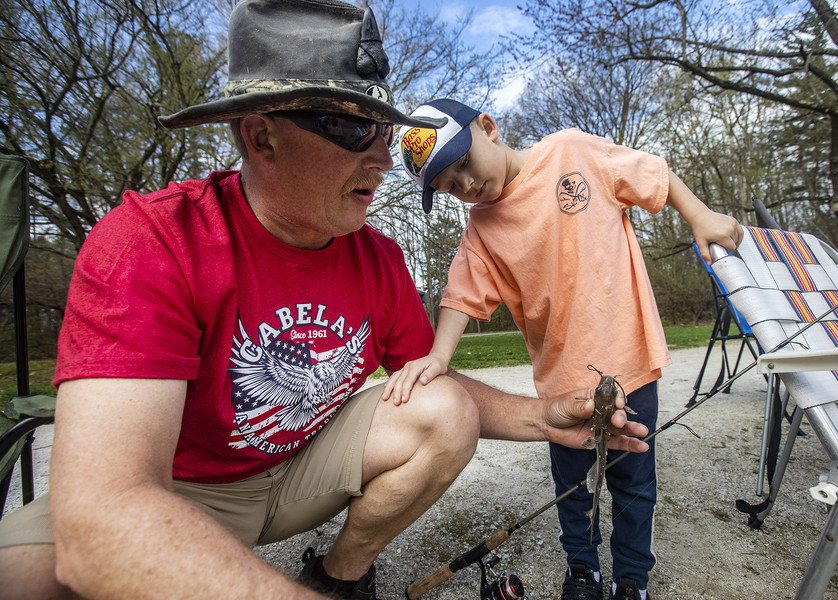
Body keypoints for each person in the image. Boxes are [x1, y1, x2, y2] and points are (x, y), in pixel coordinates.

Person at [0, 3, 650, 599]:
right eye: (350, 128)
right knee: (27, 576)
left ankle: (341, 572)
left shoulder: (379, 259)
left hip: (302, 473)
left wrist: (545, 417)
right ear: (261, 137)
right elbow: (107, 508)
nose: (382, 160)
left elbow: (428, 383)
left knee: (444, 409)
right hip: (186, 490)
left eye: (383, 133)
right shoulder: (153, 241)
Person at [389, 98, 744, 600]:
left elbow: (654, 174)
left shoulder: (572, 151)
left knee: (633, 483)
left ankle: (631, 579)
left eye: (463, 164)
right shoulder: (482, 230)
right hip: (561, 385)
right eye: (448, 186)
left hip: (633, 364)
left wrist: (700, 215)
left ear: (488, 127)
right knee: (574, 491)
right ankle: (583, 570)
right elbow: (460, 295)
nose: (464, 186)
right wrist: (439, 357)